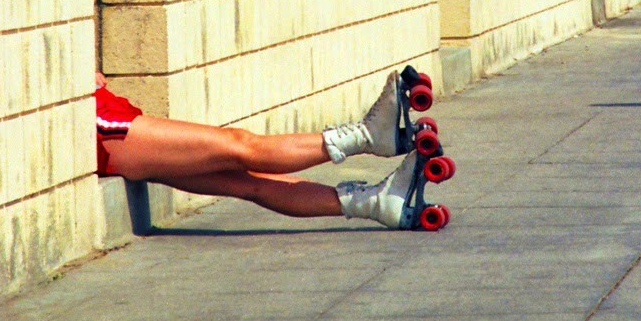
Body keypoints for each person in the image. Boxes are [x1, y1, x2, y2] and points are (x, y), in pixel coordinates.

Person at [95, 71, 431, 229]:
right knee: (240, 147)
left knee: (250, 181)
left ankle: (377, 204)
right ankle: (367, 136)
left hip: (106, 120)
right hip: (103, 130)